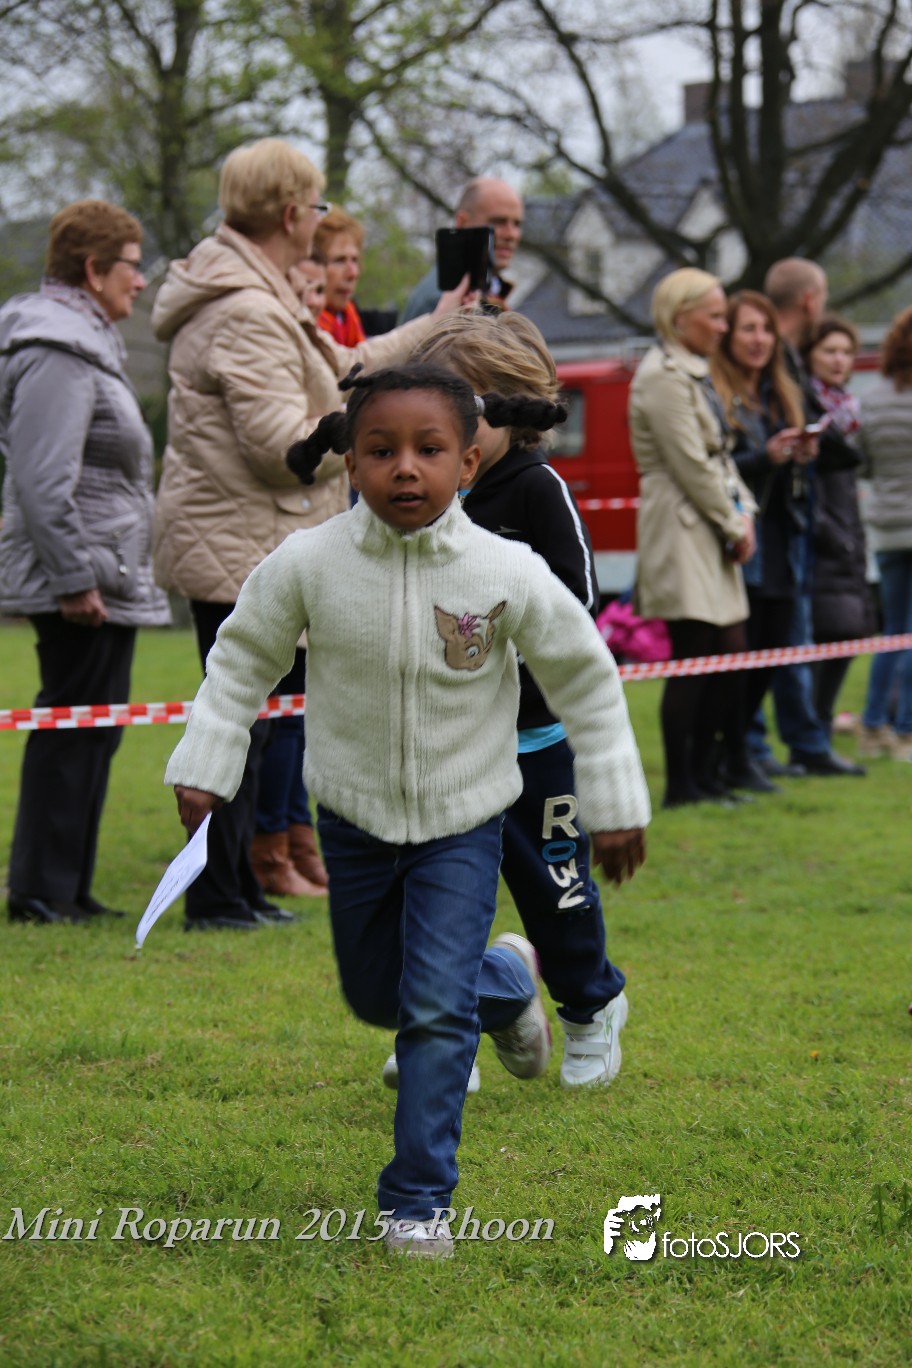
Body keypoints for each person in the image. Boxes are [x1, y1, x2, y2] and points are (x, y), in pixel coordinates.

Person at [165, 362, 650, 1258]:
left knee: (430, 1011)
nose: (405, 468)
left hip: (466, 818)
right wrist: (207, 759)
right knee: (377, 992)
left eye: (429, 450)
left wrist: (615, 799)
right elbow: (239, 660)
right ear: (350, 462)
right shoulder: (307, 564)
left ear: (468, 463)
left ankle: (418, 1202)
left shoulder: (504, 569)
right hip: (352, 819)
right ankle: (506, 982)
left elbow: (585, 674)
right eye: (381, 450)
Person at [152, 138, 474, 929]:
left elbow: (343, 364)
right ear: (293, 213)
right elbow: (279, 448)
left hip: (252, 540)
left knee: (258, 729)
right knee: (238, 724)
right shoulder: (245, 310)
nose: (320, 219)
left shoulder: (262, 296)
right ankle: (217, 897)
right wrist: (377, 441)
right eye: (317, 205)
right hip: (236, 544)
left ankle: (238, 889)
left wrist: (431, 327)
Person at [406, 311, 630, 1089]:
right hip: (445, 740)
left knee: (556, 897)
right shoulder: (423, 490)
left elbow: (579, 601)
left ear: (511, 405)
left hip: (536, 743)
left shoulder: (538, 489)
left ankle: (591, 1008)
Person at [0, 199, 170, 925]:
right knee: (72, 730)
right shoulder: (57, 350)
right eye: (132, 265)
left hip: (105, 572)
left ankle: (67, 888)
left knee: (95, 730)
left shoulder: (85, 342)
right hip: (82, 578)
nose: (141, 280)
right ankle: (41, 892)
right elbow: (43, 480)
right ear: (95, 269)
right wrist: (74, 578)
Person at [628, 268, 756, 809]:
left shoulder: (696, 372)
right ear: (681, 319)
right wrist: (733, 521)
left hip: (710, 523)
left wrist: (744, 513)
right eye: (715, 316)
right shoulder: (661, 376)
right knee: (695, 655)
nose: (724, 327)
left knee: (730, 654)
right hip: (682, 527)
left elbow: (719, 456)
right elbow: (689, 464)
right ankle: (683, 785)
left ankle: (707, 774)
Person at [756, 258, 866, 778]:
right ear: (809, 300)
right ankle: (761, 746)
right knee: (770, 638)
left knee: (791, 635)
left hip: (795, 516)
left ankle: (805, 740)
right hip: (774, 517)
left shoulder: (788, 362)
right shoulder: (773, 357)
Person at [710, 289, 808, 793]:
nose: (760, 339)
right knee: (738, 658)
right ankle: (730, 755)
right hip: (741, 540)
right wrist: (766, 457)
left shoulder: (780, 393)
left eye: (766, 329)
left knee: (773, 650)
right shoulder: (717, 393)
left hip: (782, 536)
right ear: (728, 335)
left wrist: (802, 452)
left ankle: (739, 754)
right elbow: (718, 467)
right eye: (748, 328)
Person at [803, 315, 872, 738]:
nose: (839, 360)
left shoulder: (847, 414)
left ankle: (819, 725)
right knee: (829, 635)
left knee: (846, 636)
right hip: (822, 547)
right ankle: (813, 730)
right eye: (829, 350)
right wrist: (834, 537)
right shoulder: (809, 411)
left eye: (846, 352)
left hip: (847, 544)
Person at [856, 306, 912, 762]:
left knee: (893, 630)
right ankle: (906, 731)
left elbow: (864, 465)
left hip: (888, 526)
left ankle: (872, 725)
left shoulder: (871, 400)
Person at [400, 178, 524, 323]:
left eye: (517, 224)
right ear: (462, 222)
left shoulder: (484, 291)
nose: (511, 235)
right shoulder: (444, 302)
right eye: (498, 222)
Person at [313, 208, 367, 344]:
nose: (353, 273)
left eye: (355, 260)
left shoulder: (350, 319)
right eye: (339, 260)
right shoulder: (304, 326)